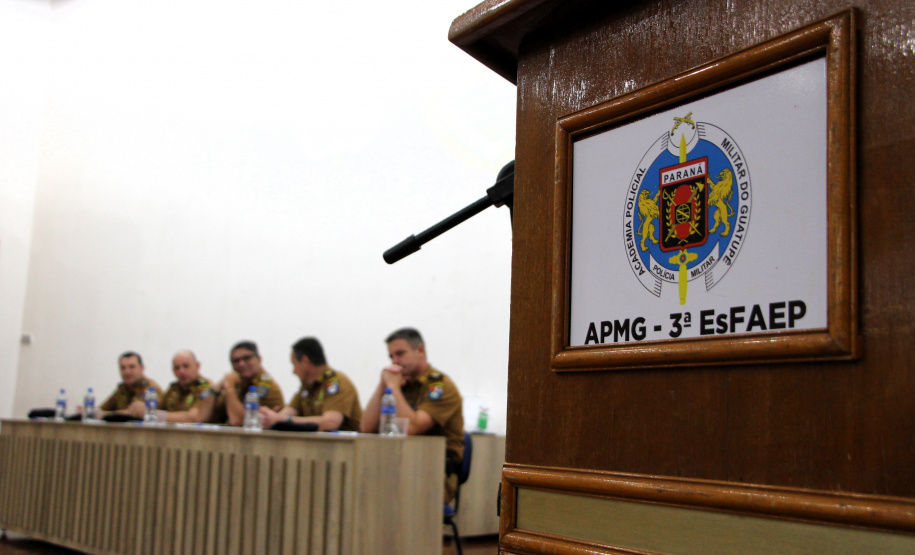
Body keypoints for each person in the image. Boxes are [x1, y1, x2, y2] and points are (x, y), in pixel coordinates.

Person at [361, 328, 464, 501]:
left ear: (420, 351)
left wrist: (393, 387)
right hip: (398, 465)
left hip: (435, 473)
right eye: (391, 357)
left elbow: (412, 428)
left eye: (400, 354)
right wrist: (383, 384)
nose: (395, 362)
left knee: (375, 494)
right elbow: (366, 428)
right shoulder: (401, 384)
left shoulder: (440, 386)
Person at [259, 337, 363, 431]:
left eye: (294, 365)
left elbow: (331, 422)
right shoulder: (306, 388)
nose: (293, 371)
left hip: (346, 449)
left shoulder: (336, 382)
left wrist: (281, 419)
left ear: (305, 361)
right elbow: (288, 414)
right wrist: (269, 418)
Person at [198, 340, 284, 426]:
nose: (241, 364)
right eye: (236, 361)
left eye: (247, 358)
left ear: (259, 359)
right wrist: (215, 390)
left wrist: (229, 387)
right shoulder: (238, 383)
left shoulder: (266, 386)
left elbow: (239, 421)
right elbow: (202, 418)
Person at [98, 351, 162, 419]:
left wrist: (104, 414)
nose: (127, 371)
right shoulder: (122, 389)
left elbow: (133, 413)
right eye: (123, 368)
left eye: (131, 367)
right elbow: (102, 409)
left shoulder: (150, 388)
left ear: (142, 368)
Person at [159, 350, 214, 423]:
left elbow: (194, 417)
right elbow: (159, 409)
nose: (181, 371)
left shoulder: (205, 387)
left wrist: (160, 416)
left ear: (197, 366)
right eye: (177, 368)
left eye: (186, 366)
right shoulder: (174, 388)